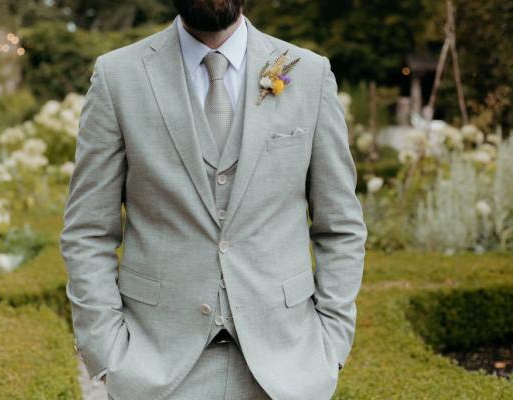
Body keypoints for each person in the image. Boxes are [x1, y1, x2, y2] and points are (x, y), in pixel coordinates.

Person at [59, 0, 368, 399]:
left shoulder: (309, 74)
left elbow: (340, 225)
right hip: (155, 369)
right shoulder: (118, 76)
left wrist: (331, 343)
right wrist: (107, 351)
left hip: (287, 367)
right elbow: (87, 230)